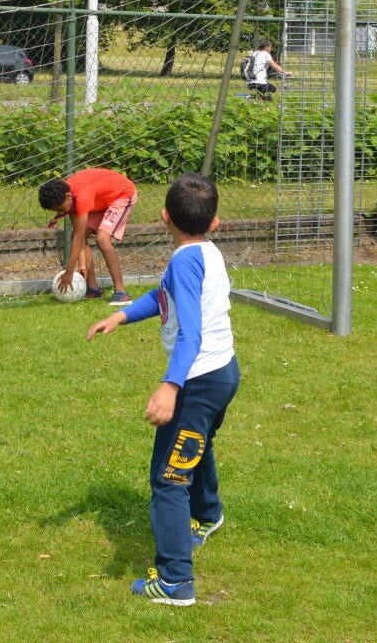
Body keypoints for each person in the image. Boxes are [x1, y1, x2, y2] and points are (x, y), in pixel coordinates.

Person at [86, 171, 239, 609]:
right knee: (197, 444)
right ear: (214, 223)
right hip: (224, 372)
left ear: (163, 216)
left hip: (198, 381)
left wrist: (171, 385)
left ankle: (175, 580)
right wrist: (122, 315)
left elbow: (190, 333)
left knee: (169, 478)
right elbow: (163, 297)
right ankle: (207, 515)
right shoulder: (206, 252)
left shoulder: (185, 261)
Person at [38, 167, 137, 306]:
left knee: (102, 239)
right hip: (102, 201)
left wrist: (69, 272)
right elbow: (79, 235)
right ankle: (93, 289)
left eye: (60, 209)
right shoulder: (69, 198)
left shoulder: (81, 196)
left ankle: (121, 293)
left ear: (68, 196)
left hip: (123, 195)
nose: (61, 213)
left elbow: (78, 238)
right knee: (80, 234)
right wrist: (82, 265)